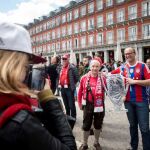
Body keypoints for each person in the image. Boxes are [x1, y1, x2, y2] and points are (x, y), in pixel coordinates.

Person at [0, 21, 77, 150]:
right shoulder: (21, 121)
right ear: (12, 66)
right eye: (25, 66)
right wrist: (49, 99)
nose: (27, 72)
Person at [112, 47, 150, 150]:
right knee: (132, 126)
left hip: (142, 101)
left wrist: (135, 82)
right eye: (126, 54)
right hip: (128, 102)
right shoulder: (123, 67)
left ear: (135, 53)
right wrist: (96, 72)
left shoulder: (142, 66)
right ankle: (134, 147)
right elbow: (110, 75)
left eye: (129, 53)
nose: (127, 55)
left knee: (144, 128)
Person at [78, 58, 106, 150]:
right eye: (93, 66)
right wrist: (79, 104)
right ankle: (84, 143)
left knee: (98, 124)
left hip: (100, 104)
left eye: (97, 66)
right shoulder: (84, 78)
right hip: (88, 104)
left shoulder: (103, 78)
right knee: (86, 125)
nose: (95, 68)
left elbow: (108, 90)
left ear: (100, 67)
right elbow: (80, 92)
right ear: (90, 67)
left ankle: (96, 142)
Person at [58, 54, 79, 124]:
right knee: (66, 104)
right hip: (62, 88)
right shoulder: (61, 68)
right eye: (63, 59)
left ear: (68, 59)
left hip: (69, 88)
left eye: (65, 59)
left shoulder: (72, 67)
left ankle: (73, 118)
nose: (63, 60)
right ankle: (67, 117)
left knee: (71, 104)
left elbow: (77, 78)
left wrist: (72, 84)